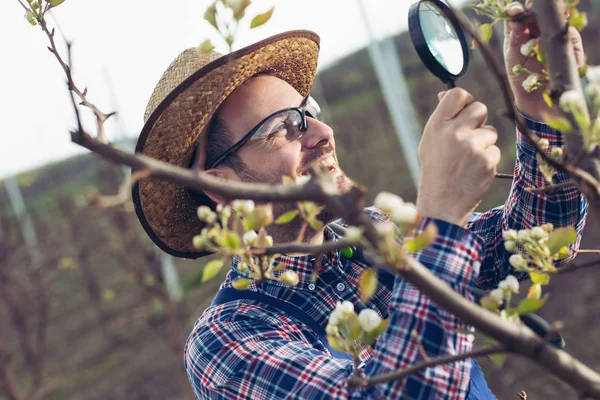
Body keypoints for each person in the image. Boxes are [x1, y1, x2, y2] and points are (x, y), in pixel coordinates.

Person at [131, 2, 588, 399]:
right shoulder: (228, 342)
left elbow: (536, 244)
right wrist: (441, 213)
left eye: (309, 113)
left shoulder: (372, 234)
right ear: (222, 185)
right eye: (283, 127)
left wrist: (542, 116)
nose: (324, 135)